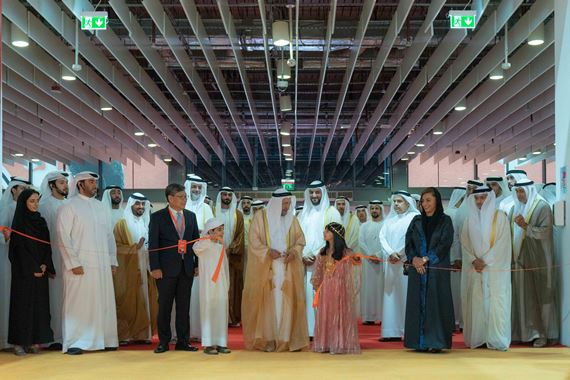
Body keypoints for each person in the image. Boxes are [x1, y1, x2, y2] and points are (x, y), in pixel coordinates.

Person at [56, 172, 118, 355]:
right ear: (80, 184)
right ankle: (76, 341)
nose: (94, 185)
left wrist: (112, 260)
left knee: (103, 301)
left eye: (95, 182)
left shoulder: (101, 207)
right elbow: (62, 236)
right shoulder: (68, 206)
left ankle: (105, 339)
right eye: (91, 182)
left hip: (102, 266)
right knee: (79, 304)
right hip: (79, 266)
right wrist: (72, 262)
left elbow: (109, 236)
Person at [242, 189, 308, 352]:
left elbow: (300, 241)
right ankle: (268, 339)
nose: (287, 206)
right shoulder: (260, 218)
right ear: (276, 203)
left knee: (286, 302)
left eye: (288, 203)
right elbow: (253, 241)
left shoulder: (292, 220)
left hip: (288, 269)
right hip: (267, 269)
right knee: (269, 303)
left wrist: (294, 252)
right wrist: (267, 252)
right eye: (284, 203)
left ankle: (285, 339)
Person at [149, 183, 200, 354]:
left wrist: (196, 265)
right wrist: (155, 267)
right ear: (170, 198)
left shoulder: (191, 216)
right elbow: (153, 245)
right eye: (181, 197)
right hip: (165, 270)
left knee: (184, 307)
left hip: (186, 269)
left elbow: (196, 242)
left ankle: (183, 341)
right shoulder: (157, 217)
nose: (184, 200)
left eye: (185, 197)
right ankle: (163, 341)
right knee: (164, 306)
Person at [460, 186, 512, 351]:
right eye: (477, 198)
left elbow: (503, 244)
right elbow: (465, 244)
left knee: (496, 302)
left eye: (483, 197)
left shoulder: (500, 218)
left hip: (494, 270)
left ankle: (496, 339)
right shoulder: (469, 220)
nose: (480, 201)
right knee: (477, 302)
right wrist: (474, 260)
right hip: (476, 269)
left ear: (489, 198)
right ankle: (479, 337)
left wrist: (485, 261)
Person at [404, 187, 454, 352]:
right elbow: (409, 243)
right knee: (416, 304)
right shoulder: (416, 221)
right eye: (423, 201)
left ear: (436, 201)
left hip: (436, 269)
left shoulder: (445, 221)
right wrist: (414, 259)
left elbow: (444, 244)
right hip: (417, 271)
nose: (424, 204)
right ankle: (417, 342)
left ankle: (435, 342)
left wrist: (426, 259)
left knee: (437, 304)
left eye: (428, 200)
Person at [510, 180, 558, 347]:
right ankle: (522, 333)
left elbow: (545, 233)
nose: (519, 195)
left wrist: (526, 226)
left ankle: (542, 334)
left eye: (522, 192)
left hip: (538, 261)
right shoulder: (515, 208)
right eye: (517, 192)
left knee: (540, 297)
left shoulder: (541, 207)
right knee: (521, 298)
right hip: (519, 261)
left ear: (529, 191)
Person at [8, 189, 55, 356]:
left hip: (40, 272)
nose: (35, 204)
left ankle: (34, 341)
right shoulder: (19, 222)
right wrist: (32, 268)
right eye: (31, 201)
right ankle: (19, 342)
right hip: (24, 274)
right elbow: (18, 250)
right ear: (24, 203)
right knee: (23, 307)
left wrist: (44, 265)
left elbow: (46, 245)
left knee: (39, 307)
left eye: (37, 201)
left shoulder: (41, 222)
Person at [298, 180, 342, 337]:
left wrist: (317, 254)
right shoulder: (303, 214)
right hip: (305, 262)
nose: (314, 195)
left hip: (325, 262)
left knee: (324, 297)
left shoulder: (332, 213)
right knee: (308, 296)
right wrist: (303, 254)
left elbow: (335, 239)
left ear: (323, 193)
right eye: (311, 192)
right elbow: (297, 239)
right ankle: (310, 331)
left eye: (317, 192)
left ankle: (324, 332)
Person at [113, 193, 158, 344]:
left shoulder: (146, 223)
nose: (140, 207)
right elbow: (116, 247)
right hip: (127, 270)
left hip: (145, 267)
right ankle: (126, 335)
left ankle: (143, 335)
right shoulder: (122, 223)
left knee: (146, 299)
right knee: (128, 301)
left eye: (142, 204)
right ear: (131, 204)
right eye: (137, 204)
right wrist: (134, 248)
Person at [311, 222, 360, 354]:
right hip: (326, 288)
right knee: (327, 313)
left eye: (327, 231)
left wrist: (355, 259)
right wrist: (317, 285)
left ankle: (339, 343)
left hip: (340, 288)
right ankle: (326, 343)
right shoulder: (323, 252)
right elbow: (319, 270)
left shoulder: (345, 252)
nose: (324, 233)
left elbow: (356, 264)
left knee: (338, 314)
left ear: (335, 235)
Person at [379, 191, 420, 341]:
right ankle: (391, 331)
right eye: (394, 201)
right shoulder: (389, 220)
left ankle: (406, 330)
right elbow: (382, 237)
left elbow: (412, 239)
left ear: (408, 203)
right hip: (391, 264)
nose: (396, 204)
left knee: (406, 295)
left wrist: (400, 254)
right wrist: (390, 253)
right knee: (390, 296)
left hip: (406, 263)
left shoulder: (414, 219)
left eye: (399, 201)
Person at [38, 170, 69, 350]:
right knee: (54, 296)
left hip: (69, 257)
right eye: (61, 182)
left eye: (66, 182)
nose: (65, 185)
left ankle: (67, 334)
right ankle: (54, 337)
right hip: (52, 257)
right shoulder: (44, 205)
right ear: (51, 185)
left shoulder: (68, 204)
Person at [192, 218, 231, 355]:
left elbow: (225, 267)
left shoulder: (221, 246)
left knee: (220, 311)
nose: (222, 232)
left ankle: (221, 342)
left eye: (222, 229)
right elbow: (195, 248)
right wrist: (209, 238)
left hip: (220, 284)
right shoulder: (203, 244)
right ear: (211, 230)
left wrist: (227, 283)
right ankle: (208, 344)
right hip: (208, 284)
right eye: (219, 230)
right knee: (208, 311)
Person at [0, 177, 30, 349]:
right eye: (21, 188)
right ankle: (6, 339)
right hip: (8, 260)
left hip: (24, 261)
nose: (24, 191)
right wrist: (6, 237)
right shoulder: (8, 209)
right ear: (13, 190)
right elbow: (2, 231)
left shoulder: (25, 209)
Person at [184, 175, 214, 341]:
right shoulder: (182, 207)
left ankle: (198, 331)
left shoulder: (206, 209)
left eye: (199, 187)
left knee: (198, 295)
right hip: (181, 257)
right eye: (193, 187)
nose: (196, 190)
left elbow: (210, 233)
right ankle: (181, 332)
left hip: (201, 260)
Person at [215, 187, 245, 326]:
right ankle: (218, 317)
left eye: (229, 194)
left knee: (232, 287)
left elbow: (240, 235)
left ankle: (232, 317)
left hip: (231, 258)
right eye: (224, 194)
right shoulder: (213, 212)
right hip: (214, 258)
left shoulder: (238, 215)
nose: (226, 197)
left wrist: (230, 249)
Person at [359, 201, 384, 325]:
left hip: (382, 261)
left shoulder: (386, 225)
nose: (374, 210)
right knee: (368, 288)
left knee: (381, 288)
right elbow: (361, 242)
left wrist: (378, 255)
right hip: (368, 263)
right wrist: (370, 255)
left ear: (381, 210)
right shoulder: (364, 226)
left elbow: (386, 242)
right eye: (372, 208)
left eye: (377, 208)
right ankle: (368, 316)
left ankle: (381, 316)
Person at [445, 186, 466, 330]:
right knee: (455, 291)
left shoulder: (461, 212)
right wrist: (455, 258)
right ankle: (455, 320)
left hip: (462, 258)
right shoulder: (452, 213)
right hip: (455, 260)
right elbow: (452, 239)